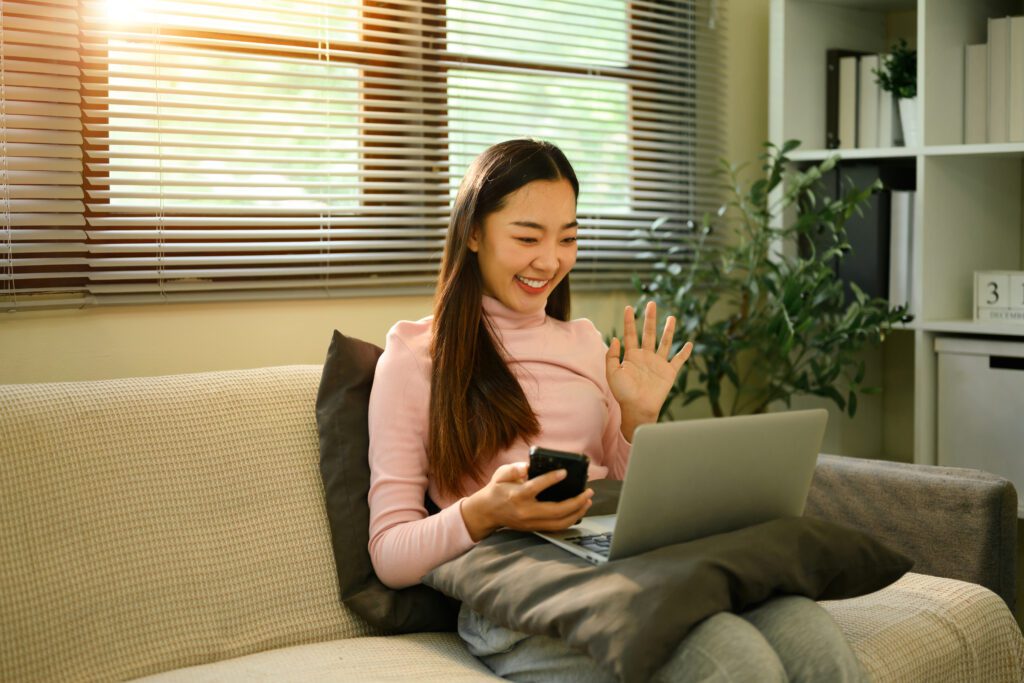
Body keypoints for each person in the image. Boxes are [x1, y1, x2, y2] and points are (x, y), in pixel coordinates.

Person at [366, 139, 866, 682]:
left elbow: (624, 500)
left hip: (623, 564)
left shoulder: (585, 343)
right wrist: (485, 511)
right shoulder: (416, 357)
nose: (550, 261)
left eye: (568, 238)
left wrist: (636, 420)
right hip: (519, 595)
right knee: (732, 658)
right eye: (527, 237)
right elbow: (390, 553)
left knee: (806, 631)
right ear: (473, 233)